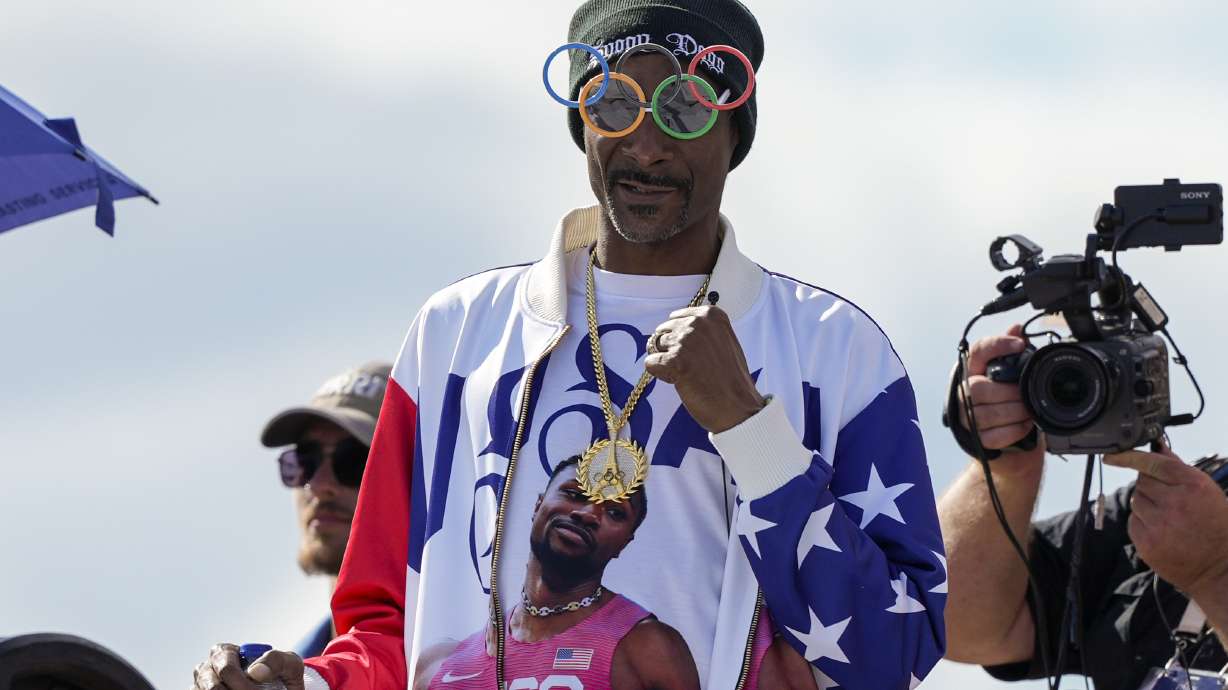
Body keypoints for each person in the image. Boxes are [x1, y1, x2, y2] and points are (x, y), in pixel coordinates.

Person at [192, 2, 946, 688]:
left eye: (683, 107)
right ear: (581, 120)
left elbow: (898, 650)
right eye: (614, 103)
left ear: (733, 131)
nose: (646, 144)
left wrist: (751, 429)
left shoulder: (835, 350)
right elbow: (388, 623)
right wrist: (312, 684)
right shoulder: (457, 333)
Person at [938, 325, 1228, 689]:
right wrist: (1007, 462)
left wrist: (1216, 574)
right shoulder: (1202, 503)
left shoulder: (1209, 534)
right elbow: (958, 625)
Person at [413, 455, 699, 690]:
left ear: (625, 542)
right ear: (538, 505)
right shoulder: (439, 664)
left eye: (614, 512)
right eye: (574, 494)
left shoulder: (648, 650)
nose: (588, 513)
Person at [262, 362, 392, 658]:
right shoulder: (293, 673)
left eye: (356, 461)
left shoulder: (473, 664)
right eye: (306, 460)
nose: (319, 485)